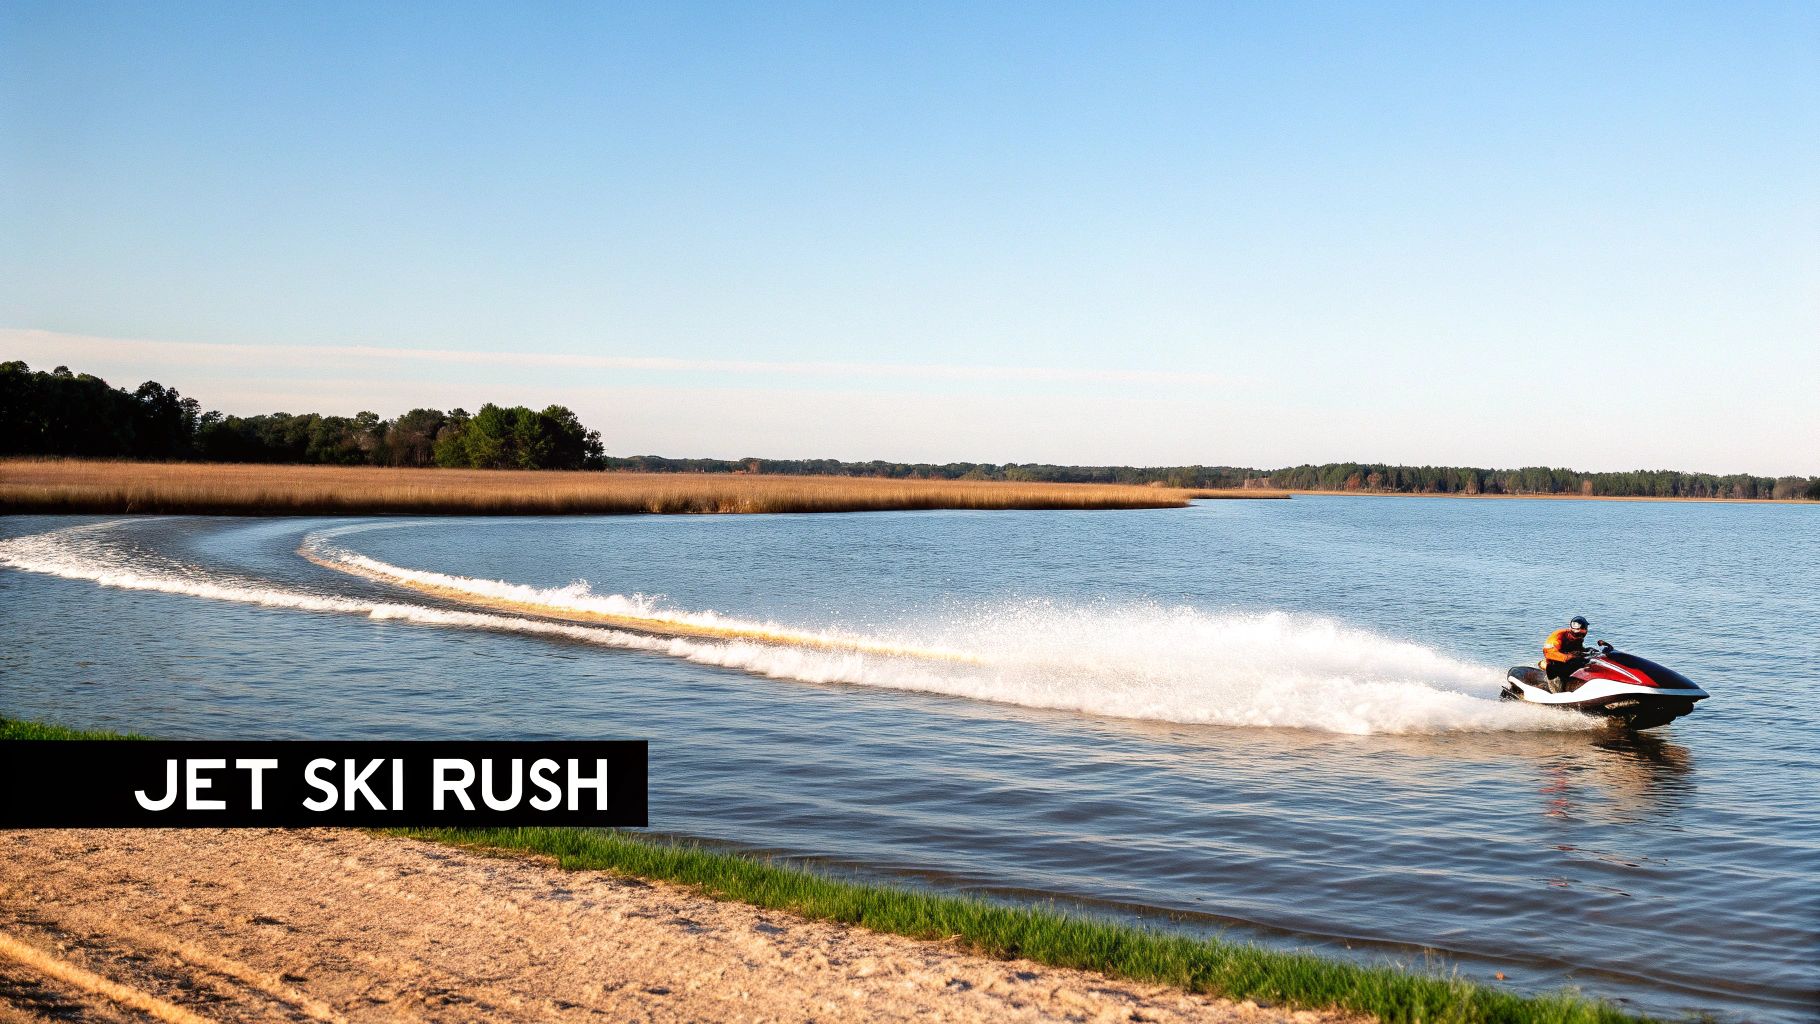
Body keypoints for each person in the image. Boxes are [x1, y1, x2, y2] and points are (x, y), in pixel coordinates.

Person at [1542, 616, 1592, 692]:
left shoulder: (1578, 639)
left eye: (1583, 631)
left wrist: (1588, 651)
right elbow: (1549, 653)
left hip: (1569, 663)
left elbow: (1579, 650)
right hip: (1554, 665)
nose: (1580, 634)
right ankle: (1556, 694)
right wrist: (1568, 657)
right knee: (1553, 670)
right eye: (1578, 632)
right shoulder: (1558, 635)